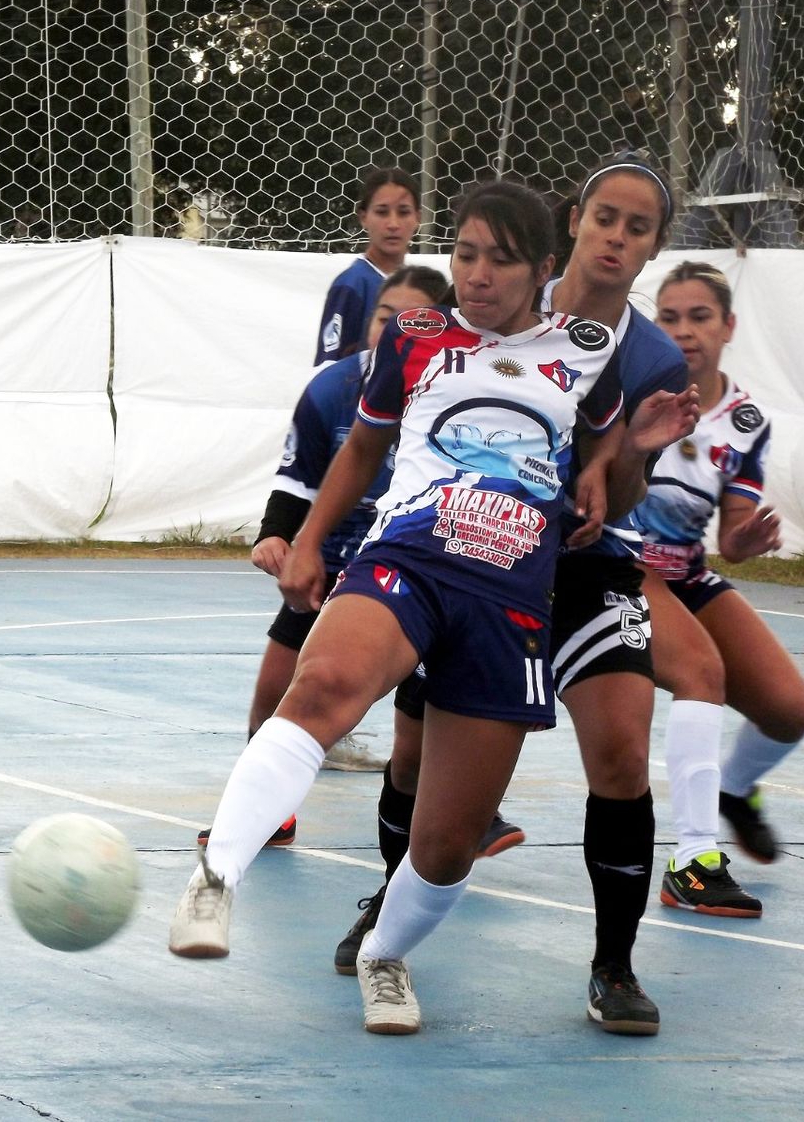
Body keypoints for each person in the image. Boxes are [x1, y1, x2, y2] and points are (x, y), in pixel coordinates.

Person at [169, 179, 693, 1036]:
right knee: (326, 685)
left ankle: (385, 954)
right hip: (408, 555)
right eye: (466, 253)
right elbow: (364, 445)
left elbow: (603, 466)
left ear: (542, 269)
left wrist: (626, 452)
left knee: (448, 842)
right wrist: (305, 539)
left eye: (501, 259)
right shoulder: (415, 339)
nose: (478, 274)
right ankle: (214, 878)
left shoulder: (587, 353)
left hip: (513, 597)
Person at [327, 153, 702, 1036]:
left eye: (638, 227)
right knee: (416, 756)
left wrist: (624, 469)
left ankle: (614, 963)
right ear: (572, 223)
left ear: (653, 248)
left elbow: (630, 487)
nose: (616, 236)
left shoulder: (643, 354)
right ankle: (391, 902)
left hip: (585, 565)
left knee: (620, 748)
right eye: (605, 217)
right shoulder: (488, 305)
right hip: (469, 554)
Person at [205, 265, 525, 851]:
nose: (394, 328)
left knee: (425, 725)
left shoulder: (461, 389)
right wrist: (279, 535)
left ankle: (473, 811)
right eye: (384, 316)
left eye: (411, 320)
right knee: (278, 687)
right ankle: (266, 814)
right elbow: (296, 480)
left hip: (419, 570)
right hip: (332, 564)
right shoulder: (333, 388)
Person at [641, 261, 804, 916]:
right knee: (701, 673)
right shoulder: (632, 391)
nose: (685, 331)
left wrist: (740, 542)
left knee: (788, 709)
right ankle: (693, 859)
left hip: (687, 573)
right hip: (621, 569)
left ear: (728, 327)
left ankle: (733, 790)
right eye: (671, 317)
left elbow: (734, 524)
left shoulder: (744, 421)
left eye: (700, 316)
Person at [313, 168, 421, 365]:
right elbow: (327, 368)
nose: (393, 224)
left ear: (418, 218)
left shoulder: (418, 289)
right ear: (363, 217)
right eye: (382, 212)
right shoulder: (352, 284)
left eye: (404, 212)